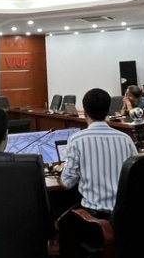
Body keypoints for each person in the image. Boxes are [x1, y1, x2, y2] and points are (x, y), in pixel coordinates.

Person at [56, 87, 138, 215]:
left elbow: (67, 183)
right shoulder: (126, 139)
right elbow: (136, 176)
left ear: (85, 111)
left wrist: (61, 169)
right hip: (125, 215)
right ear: (108, 110)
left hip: (93, 216)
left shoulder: (77, 140)